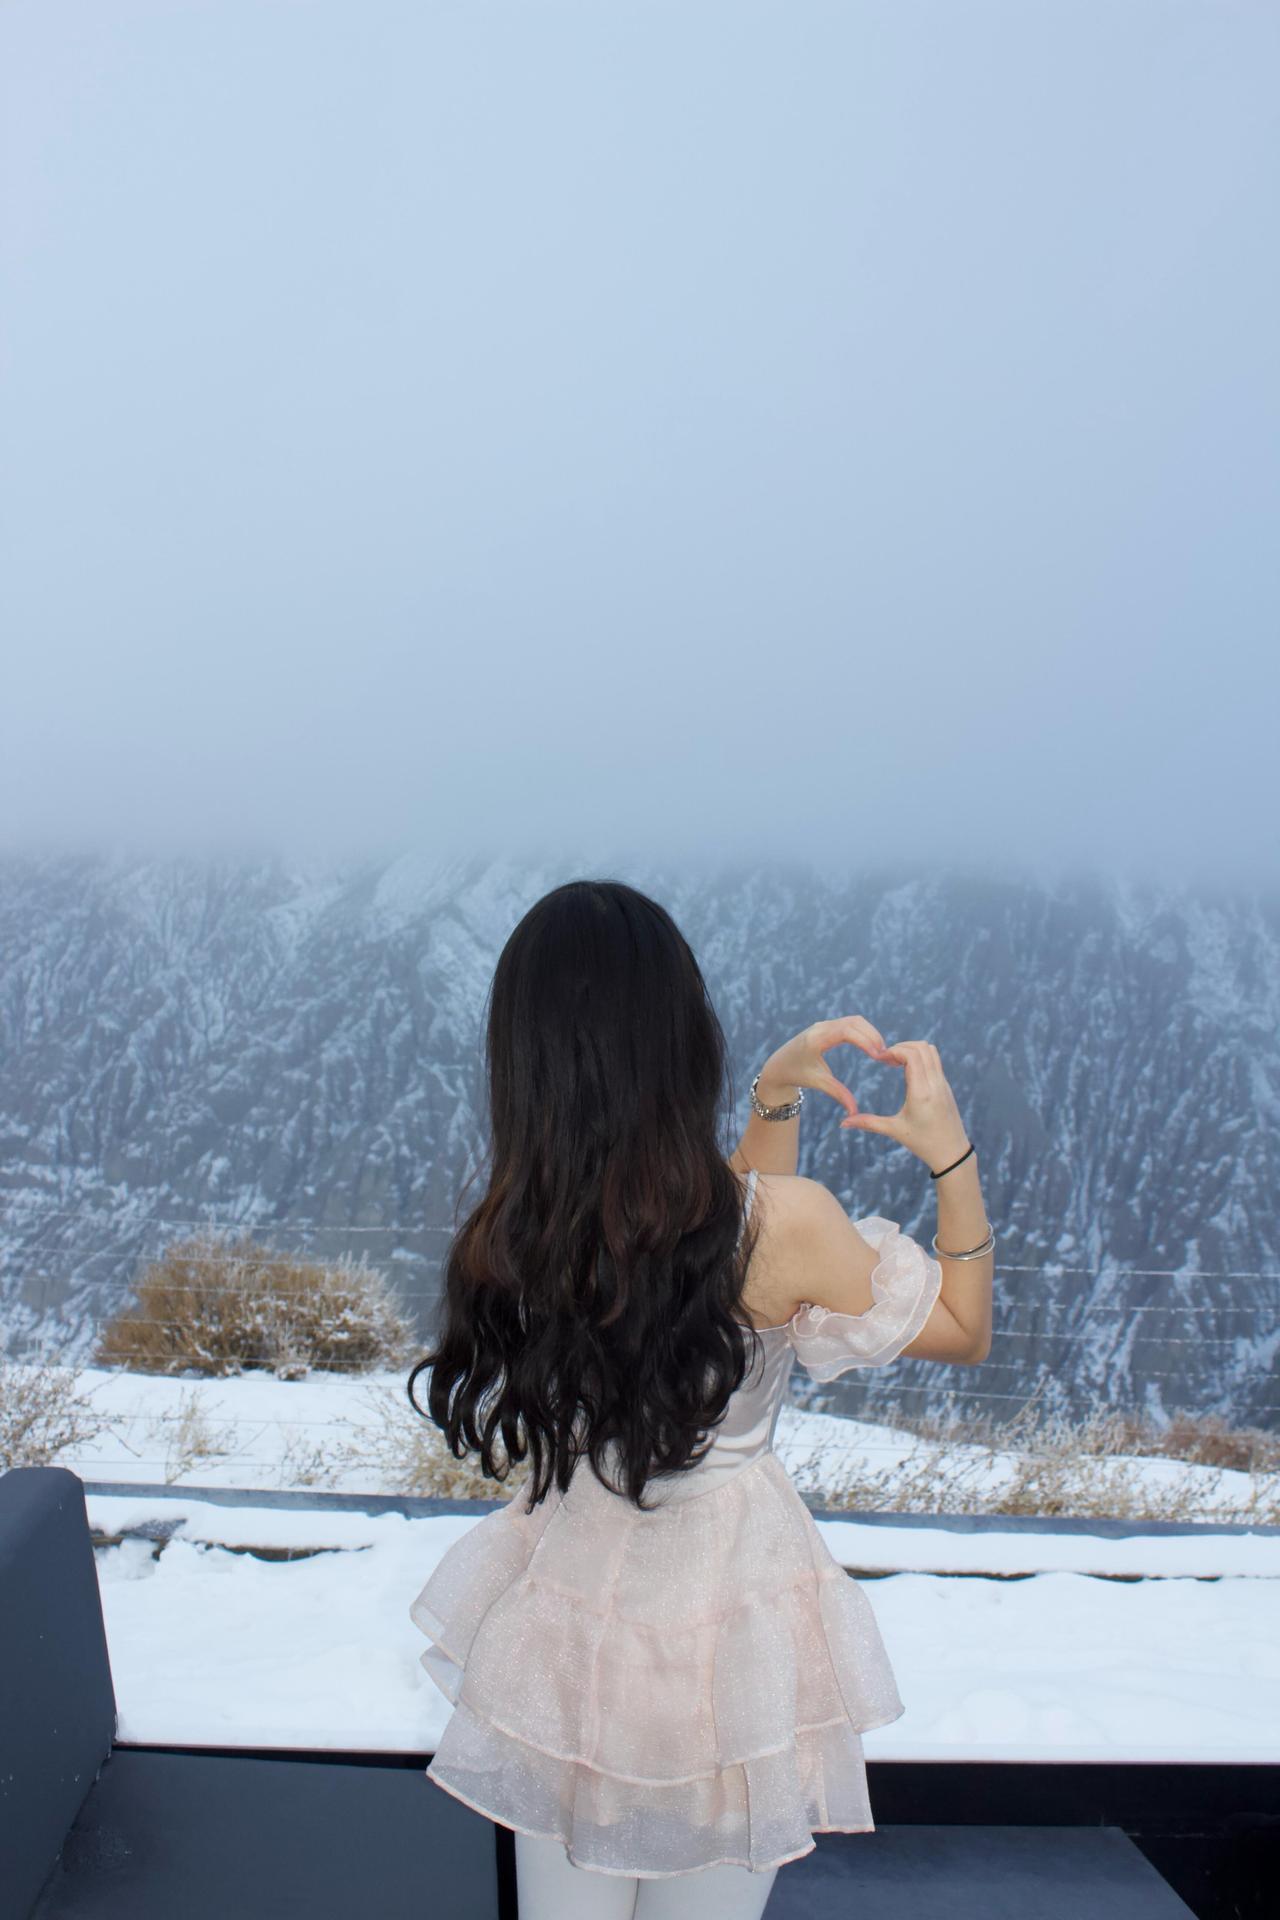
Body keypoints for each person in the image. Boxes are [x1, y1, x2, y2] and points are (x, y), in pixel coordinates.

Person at [405, 879, 994, 1918]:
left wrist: (776, 1097)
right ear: (682, 1040)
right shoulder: (789, 1228)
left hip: (578, 1587)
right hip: (731, 1608)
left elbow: (689, 1239)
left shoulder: (520, 1229)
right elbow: (955, 1326)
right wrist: (949, 1153)